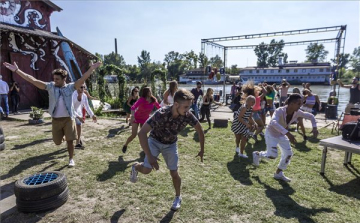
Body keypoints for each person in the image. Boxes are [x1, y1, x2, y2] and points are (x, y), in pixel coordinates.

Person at [3, 61, 102, 167]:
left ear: (64, 79)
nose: (54, 81)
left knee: (70, 141)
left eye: (57, 79)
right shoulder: (50, 87)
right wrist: (17, 70)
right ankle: (63, 136)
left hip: (69, 119)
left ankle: (71, 159)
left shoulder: (70, 87)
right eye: (54, 78)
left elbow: (82, 79)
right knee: (57, 142)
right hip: (56, 120)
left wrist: (91, 69)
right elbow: (32, 80)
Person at [129, 88, 204, 211]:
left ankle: (178, 197)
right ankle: (136, 167)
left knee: (174, 173)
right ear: (176, 104)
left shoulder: (187, 116)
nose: (188, 111)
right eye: (185, 107)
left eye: (189, 107)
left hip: (170, 144)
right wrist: (151, 157)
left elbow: (200, 130)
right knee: (147, 170)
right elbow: (142, 133)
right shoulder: (161, 113)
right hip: (154, 141)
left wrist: (202, 150)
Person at [252, 94, 318, 182]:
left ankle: (278, 173)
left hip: (281, 134)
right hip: (271, 133)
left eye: (301, 103)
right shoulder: (279, 110)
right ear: (291, 104)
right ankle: (258, 154)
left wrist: (314, 128)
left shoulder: (297, 112)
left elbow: (311, 116)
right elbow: (273, 122)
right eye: (299, 104)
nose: (300, 106)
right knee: (272, 155)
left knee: (288, 154)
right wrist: (288, 134)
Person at [122, 87, 161, 153]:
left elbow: (159, 107)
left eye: (151, 91)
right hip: (137, 118)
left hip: (145, 119)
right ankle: (125, 145)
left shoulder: (153, 100)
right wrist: (132, 117)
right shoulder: (142, 99)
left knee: (144, 135)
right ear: (146, 92)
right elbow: (133, 107)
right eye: (149, 91)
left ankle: (146, 150)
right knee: (134, 135)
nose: (150, 92)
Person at [72, 83, 97, 149]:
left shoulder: (84, 96)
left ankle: (77, 143)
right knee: (71, 128)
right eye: (80, 87)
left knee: (79, 125)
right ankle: (75, 139)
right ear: (77, 87)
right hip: (69, 112)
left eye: (83, 87)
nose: (82, 89)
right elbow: (70, 108)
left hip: (78, 111)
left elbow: (87, 107)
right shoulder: (73, 95)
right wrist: (78, 116)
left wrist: (92, 115)